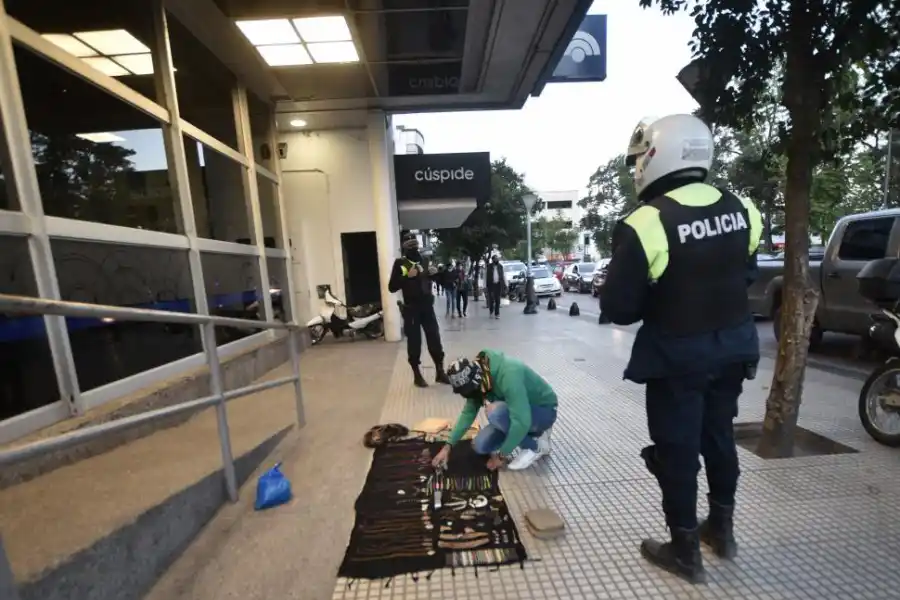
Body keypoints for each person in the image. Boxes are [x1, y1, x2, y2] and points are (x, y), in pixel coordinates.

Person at [600, 114, 762, 584]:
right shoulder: (743, 207)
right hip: (734, 347)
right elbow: (745, 273)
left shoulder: (646, 222)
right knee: (719, 437)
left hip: (677, 359)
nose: (636, 171)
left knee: (677, 450)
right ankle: (723, 532)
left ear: (656, 156)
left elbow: (622, 308)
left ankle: (685, 550)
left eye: (638, 161)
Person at [432, 350, 558, 471]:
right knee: (480, 445)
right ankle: (532, 435)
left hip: (544, 411)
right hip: (518, 412)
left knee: (495, 412)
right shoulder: (480, 379)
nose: (469, 395)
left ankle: (536, 447)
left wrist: (501, 456)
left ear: (476, 379)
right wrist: (448, 446)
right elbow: (468, 413)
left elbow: (521, 421)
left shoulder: (509, 374)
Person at [389, 232, 451, 388]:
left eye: (415, 246)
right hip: (411, 309)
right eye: (410, 246)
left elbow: (437, 281)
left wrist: (436, 274)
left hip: (427, 307)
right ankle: (417, 375)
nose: (413, 249)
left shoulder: (424, 261)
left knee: (435, 338)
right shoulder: (400, 264)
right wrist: (407, 276)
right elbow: (392, 287)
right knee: (414, 342)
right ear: (404, 248)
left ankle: (440, 371)